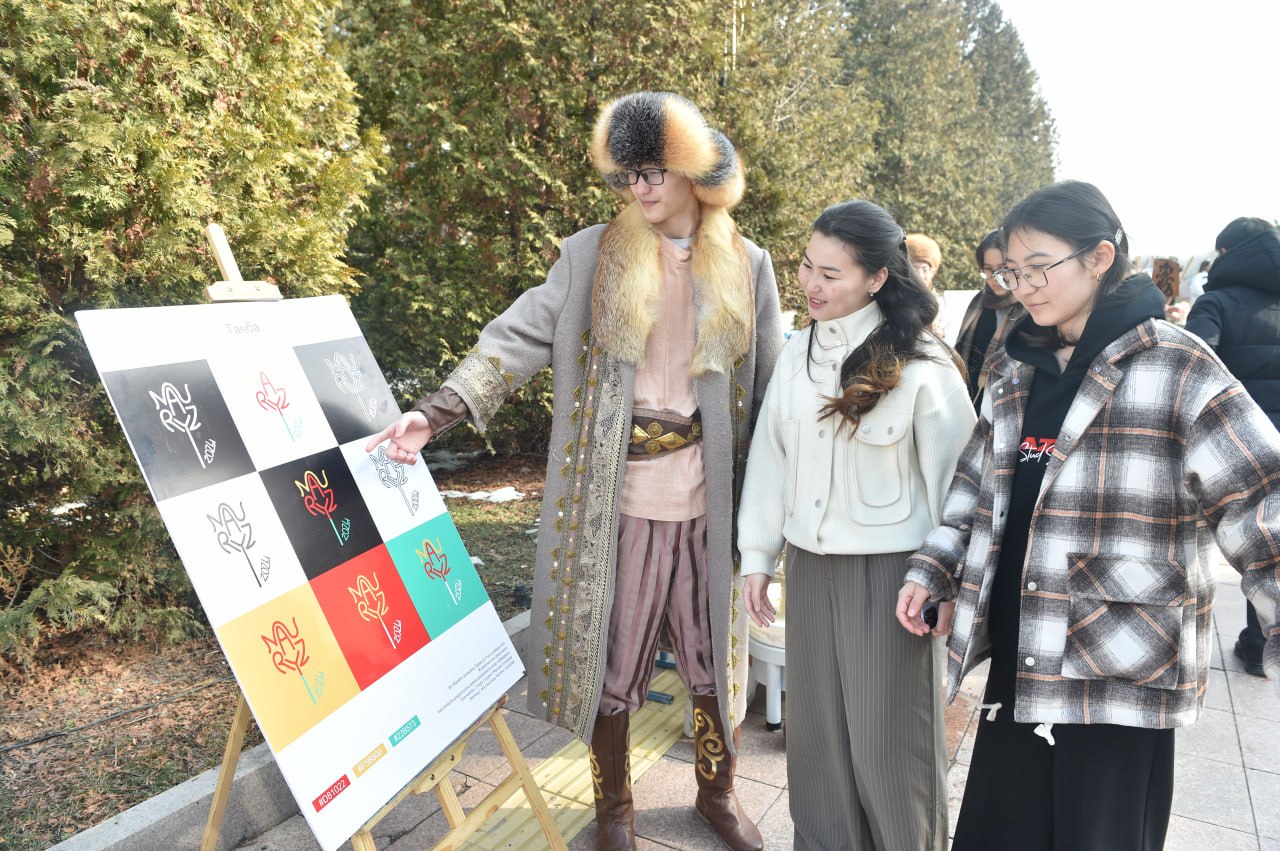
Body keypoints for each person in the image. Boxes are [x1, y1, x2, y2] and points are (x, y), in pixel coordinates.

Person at [366, 92, 783, 851]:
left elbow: (776, 387)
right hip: (617, 499)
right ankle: (613, 806)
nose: (639, 188)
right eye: (627, 174)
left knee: (711, 659)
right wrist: (439, 410)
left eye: (653, 171)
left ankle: (717, 793)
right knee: (611, 659)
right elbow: (517, 334)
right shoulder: (591, 254)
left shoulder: (748, 264)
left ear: (691, 170)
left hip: (711, 498)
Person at [896, 181, 1280, 851]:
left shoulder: (1176, 364)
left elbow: (1262, 499)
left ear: (1100, 257)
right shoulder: (1017, 366)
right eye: (1012, 272)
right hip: (1024, 650)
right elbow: (976, 484)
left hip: (1120, 669)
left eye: (1038, 268)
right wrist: (936, 567)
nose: (1022, 288)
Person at [739, 200, 975, 850]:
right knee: (816, 742)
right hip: (808, 568)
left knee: (890, 745)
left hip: (895, 579)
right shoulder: (797, 354)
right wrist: (757, 556)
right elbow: (770, 459)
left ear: (876, 277)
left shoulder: (924, 366)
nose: (811, 285)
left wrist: (949, 583)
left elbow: (962, 487)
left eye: (831, 273)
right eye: (806, 266)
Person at [1185, 216, 1280, 678]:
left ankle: (1257, 644)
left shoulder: (1216, 302)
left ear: (1228, 254)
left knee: (1246, 534)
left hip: (1234, 443)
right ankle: (1263, 641)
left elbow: (1194, 364)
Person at [953, 229, 1026, 407]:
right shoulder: (978, 303)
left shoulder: (1029, 308)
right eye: (988, 270)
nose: (995, 277)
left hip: (1009, 403)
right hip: (968, 400)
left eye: (1003, 269)